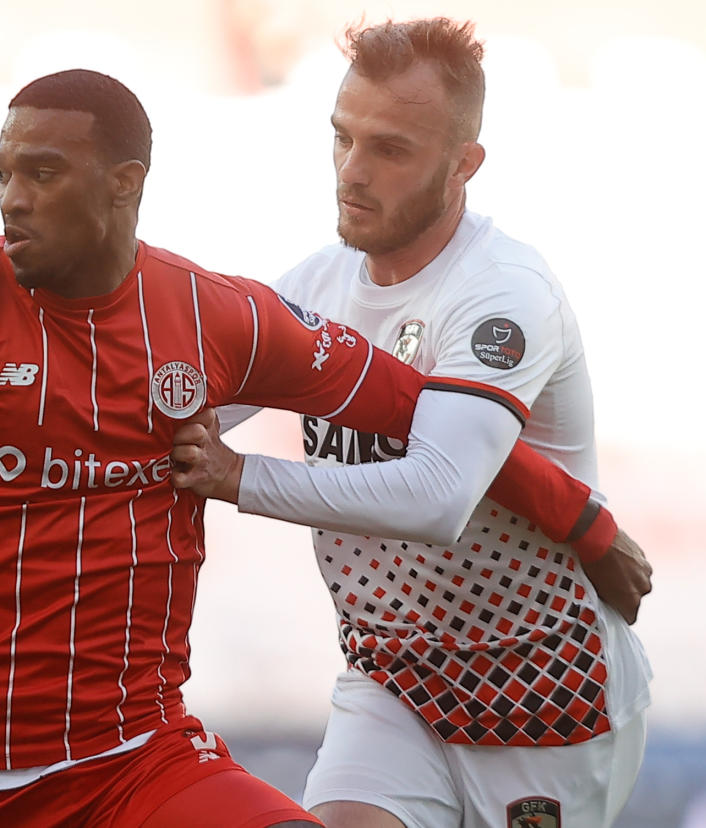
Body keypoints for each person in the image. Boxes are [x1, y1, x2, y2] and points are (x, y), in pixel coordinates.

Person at [0, 68, 628, 828]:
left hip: (138, 759)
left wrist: (582, 520)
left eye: (42, 173)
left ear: (124, 183)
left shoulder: (216, 316)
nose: (12, 198)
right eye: (3, 173)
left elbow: (420, 410)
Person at [168, 19, 652, 828]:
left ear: (465, 165)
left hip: (542, 690)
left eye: (390, 150)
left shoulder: (503, 294)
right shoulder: (315, 288)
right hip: (393, 681)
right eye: (342, 138)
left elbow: (437, 495)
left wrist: (239, 476)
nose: (351, 174)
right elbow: (181, 415)